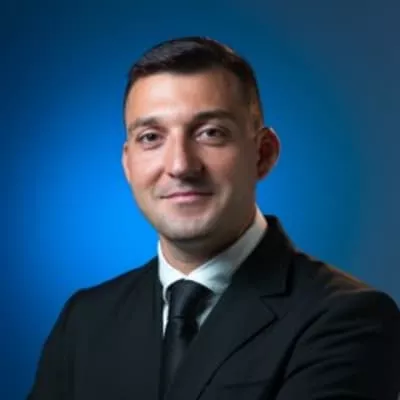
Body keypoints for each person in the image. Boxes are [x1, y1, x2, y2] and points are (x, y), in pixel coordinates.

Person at [28, 36, 400, 400]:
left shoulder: (348, 318)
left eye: (211, 133)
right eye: (151, 137)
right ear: (128, 164)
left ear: (263, 154)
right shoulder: (85, 320)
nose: (180, 165)